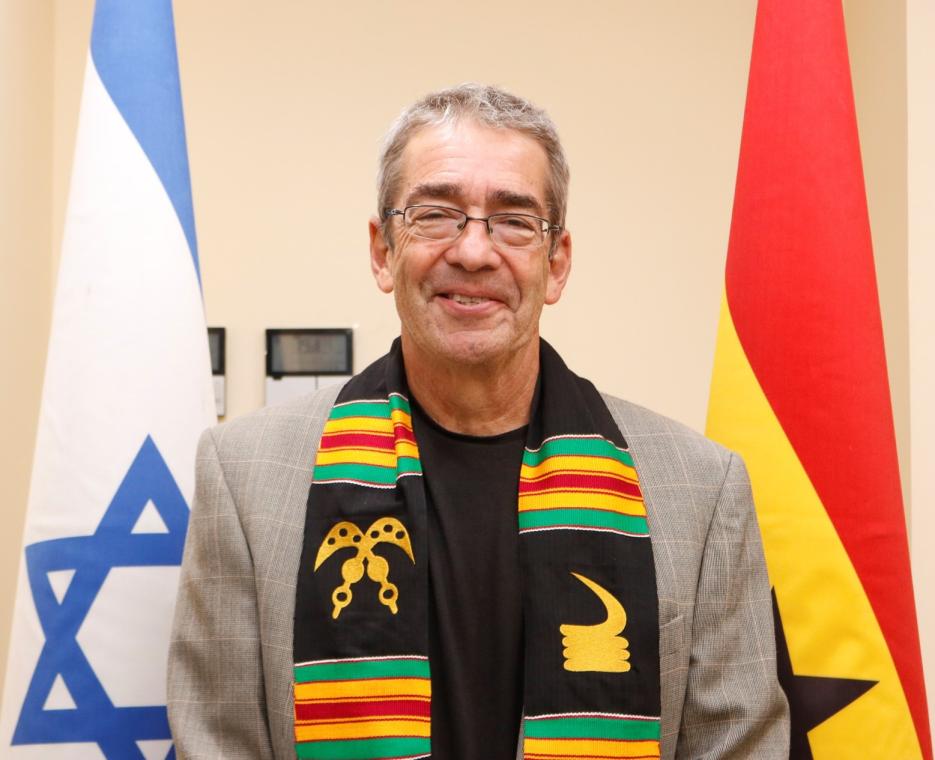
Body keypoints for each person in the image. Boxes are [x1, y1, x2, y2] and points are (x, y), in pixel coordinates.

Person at [167, 84, 789, 760]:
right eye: (435, 215)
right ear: (382, 251)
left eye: (513, 221)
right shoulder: (245, 479)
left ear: (556, 262)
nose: (472, 251)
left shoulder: (699, 491)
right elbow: (219, 742)